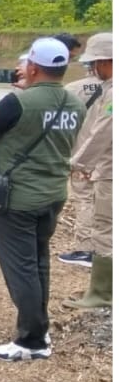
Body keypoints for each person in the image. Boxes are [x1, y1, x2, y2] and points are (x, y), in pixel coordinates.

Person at [0, 37, 86, 360]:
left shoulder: (17, 103)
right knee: (38, 262)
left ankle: (32, 340)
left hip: (17, 197)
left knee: (21, 268)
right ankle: (39, 326)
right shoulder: (75, 103)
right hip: (52, 194)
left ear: (33, 68)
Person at [64, 32, 112, 313]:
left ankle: (102, 293)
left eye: (96, 64)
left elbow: (101, 133)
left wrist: (77, 163)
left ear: (106, 61)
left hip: (110, 171)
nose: (94, 70)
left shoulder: (113, 92)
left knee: (105, 228)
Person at [59, 38, 107, 267]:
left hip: (85, 152)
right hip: (105, 157)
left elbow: (61, 122)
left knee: (85, 199)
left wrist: (76, 162)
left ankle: (85, 248)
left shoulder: (72, 89)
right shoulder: (107, 88)